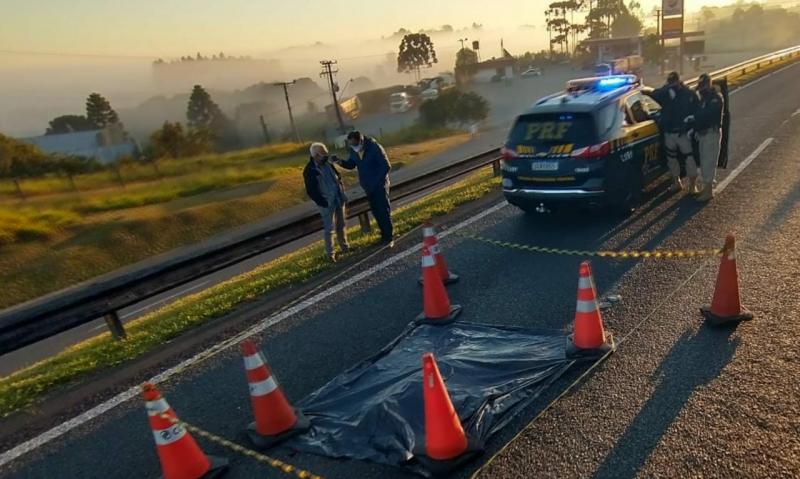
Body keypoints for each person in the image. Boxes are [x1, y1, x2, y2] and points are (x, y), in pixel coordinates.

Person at [338, 131, 394, 247]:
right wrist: (340, 162)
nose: (354, 147)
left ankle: (388, 236)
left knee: (383, 210)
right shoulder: (354, 150)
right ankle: (384, 235)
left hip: (380, 185)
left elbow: (386, 166)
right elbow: (352, 164)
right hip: (368, 187)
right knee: (376, 212)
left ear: (361, 141)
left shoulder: (374, 148)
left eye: (355, 144)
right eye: (351, 145)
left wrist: (377, 182)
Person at [650, 71, 699, 193]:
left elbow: (696, 111)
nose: (672, 85)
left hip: (683, 132)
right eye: (670, 82)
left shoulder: (688, 94)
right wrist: (665, 88)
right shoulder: (665, 94)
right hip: (669, 131)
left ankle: (693, 185)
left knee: (689, 157)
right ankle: (676, 182)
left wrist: (692, 128)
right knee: (671, 158)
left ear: (678, 81)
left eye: (673, 82)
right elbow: (652, 95)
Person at [303, 142, 349, 262]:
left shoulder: (328, 164)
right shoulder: (310, 170)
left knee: (341, 225)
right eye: (323, 154)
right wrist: (323, 202)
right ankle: (330, 254)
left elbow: (338, 177)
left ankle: (345, 246)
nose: (325, 156)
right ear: (316, 155)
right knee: (329, 229)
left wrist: (342, 192)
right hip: (327, 203)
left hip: (338, 199)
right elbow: (311, 191)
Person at [692, 73, 724, 202]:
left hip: (711, 132)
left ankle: (709, 190)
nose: (701, 88)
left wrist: (696, 118)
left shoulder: (715, 98)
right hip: (703, 133)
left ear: (708, 84)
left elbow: (708, 114)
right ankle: (706, 187)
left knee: (709, 162)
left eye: (703, 85)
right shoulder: (704, 98)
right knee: (704, 161)